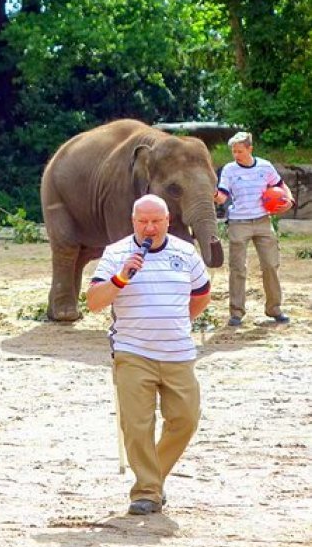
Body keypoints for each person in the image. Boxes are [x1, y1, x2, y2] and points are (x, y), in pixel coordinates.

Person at [86, 194, 211, 515]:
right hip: (132, 351)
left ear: (168, 221)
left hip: (178, 352)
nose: (150, 228)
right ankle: (146, 492)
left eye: (156, 221)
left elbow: (202, 294)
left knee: (185, 419)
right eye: (143, 222)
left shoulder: (185, 253)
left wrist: (177, 321)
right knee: (137, 425)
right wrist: (121, 278)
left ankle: (152, 478)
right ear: (133, 223)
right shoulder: (116, 254)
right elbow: (94, 301)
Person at [214, 131, 294, 327]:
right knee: (237, 268)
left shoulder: (265, 167)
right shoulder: (229, 170)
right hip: (238, 222)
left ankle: (274, 309)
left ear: (250, 149)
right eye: (233, 151)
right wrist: (213, 194)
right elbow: (223, 196)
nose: (236, 155)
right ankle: (236, 313)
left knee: (270, 265)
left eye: (239, 151)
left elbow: (280, 185)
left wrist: (289, 200)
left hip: (262, 221)